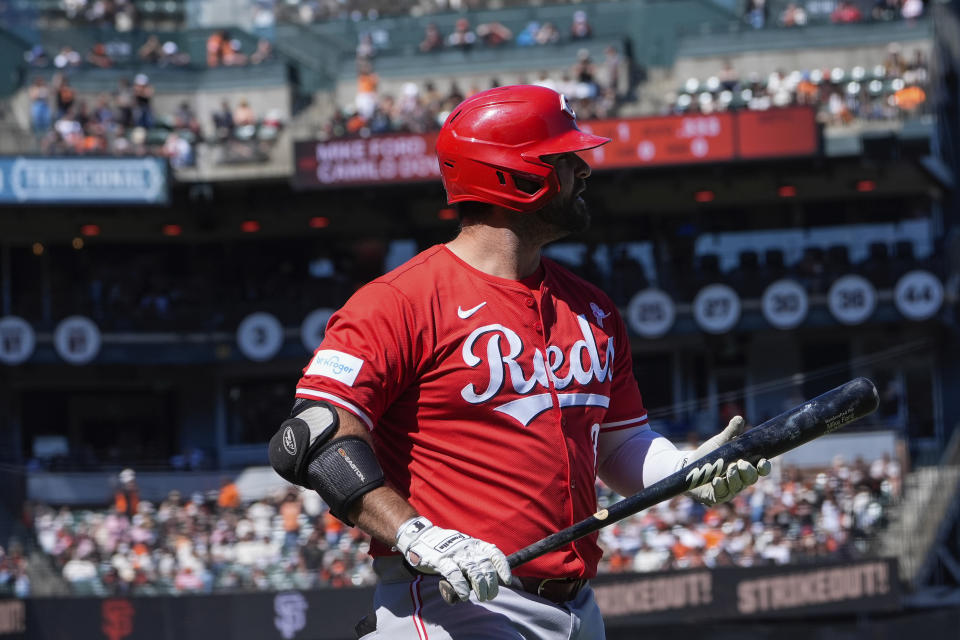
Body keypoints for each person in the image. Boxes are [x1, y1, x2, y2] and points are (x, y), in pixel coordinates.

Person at [269, 85, 770, 639]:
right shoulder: (399, 301)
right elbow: (312, 436)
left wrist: (685, 472)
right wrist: (416, 534)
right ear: (513, 176)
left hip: (579, 609)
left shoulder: (593, 308)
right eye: (564, 159)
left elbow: (619, 445)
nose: (583, 171)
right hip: (453, 602)